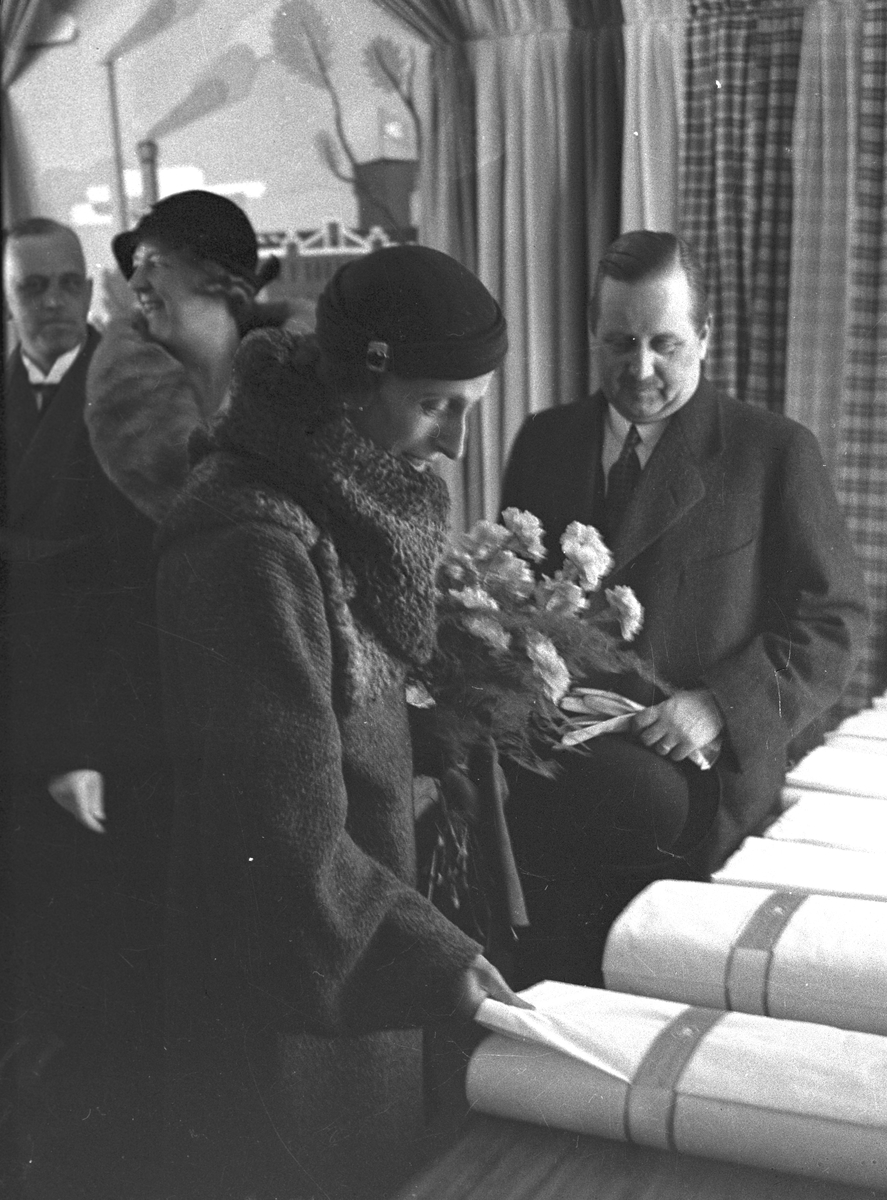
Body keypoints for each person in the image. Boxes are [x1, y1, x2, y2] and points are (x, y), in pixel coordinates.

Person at [152, 244, 527, 1200]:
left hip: (350, 950)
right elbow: (282, 837)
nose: (454, 445)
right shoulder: (250, 543)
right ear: (357, 382)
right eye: (436, 405)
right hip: (288, 986)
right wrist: (439, 963)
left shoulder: (346, 501)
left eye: (470, 409)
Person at [499, 230, 868, 986]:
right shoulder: (543, 441)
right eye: (619, 342)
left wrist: (717, 706)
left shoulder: (772, 452)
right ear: (592, 336)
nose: (639, 369)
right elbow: (516, 604)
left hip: (695, 778)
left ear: (704, 335)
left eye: (664, 344)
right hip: (559, 767)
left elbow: (834, 625)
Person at [2, 219, 168, 1196]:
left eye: (70, 283)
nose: (56, 303)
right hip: (14, 723)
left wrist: (81, 741)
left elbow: (132, 590)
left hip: (99, 730)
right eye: (35, 288)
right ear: (8, 296)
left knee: (101, 967)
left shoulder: (126, 389)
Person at [85, 188, 300, 523]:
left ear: (219, 277)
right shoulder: (121, 407)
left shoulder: (310, 384)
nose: (136, 283)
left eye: (155, 264)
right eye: (137, 266)